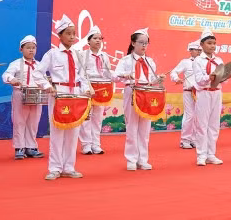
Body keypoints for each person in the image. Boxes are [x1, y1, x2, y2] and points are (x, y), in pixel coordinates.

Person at [38, 14, 93, 180]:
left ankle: (69, 167)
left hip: (76, 95)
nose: (72, 36)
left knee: (73, 132)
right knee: (57, 132)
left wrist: (86, 89)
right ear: (59, 35)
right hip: (59, 94)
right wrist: (48, 87)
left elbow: (83, 75)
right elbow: (37, 73)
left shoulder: (78, 54)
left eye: (74, 33)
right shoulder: (52, 54)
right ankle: (54, 168)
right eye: (68, 33)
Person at [115, 28, 163, 171]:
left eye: (146, 43)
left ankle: (143, 159)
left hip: (147, 93)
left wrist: (158, 79)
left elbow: (151, 80)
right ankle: (131, 159)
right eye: (141, 43)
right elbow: (115, 76)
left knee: (145, 128)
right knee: (132, 126)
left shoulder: (150, 61)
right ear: (133, 43)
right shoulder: (125, 60)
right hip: (132, 91)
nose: (144, 46)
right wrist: (126, 75)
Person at [3, 35, 50, 160]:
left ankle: (31, 147)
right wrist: (12, 79)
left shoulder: (40, 65)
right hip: (20, 93)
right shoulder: (16, 64)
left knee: (33, 121)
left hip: (36, 94)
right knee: (19, 121)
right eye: (28, 48)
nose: (31, 50)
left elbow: (44, 79)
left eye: (33, 48)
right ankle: (19, 147)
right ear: (21, 49)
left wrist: (47, 86)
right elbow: (6, 74)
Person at [192, 28, 225, 166]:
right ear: (202, 44)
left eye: (214, 43)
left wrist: (224, 76)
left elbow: (224, 78)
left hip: (216, 92)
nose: (212, 46)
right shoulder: (197, 61)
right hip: (204, 93)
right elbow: (199, 80)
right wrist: (209, 77)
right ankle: (201, 155)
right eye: (209, 43)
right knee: (202, 125)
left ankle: (211, 154)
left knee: (214, 125)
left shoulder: (219, 60)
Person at [79, 26, 112, 155]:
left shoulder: (105, 56)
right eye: (95, 38)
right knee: (86, 117)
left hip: (101, 89)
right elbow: (81, 74)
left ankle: (96, 144)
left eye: (100, 38)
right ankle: (86, 145)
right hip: (88, 88)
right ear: (88, 41)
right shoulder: (83, 55)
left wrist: (122, 75)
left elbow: (108, 73)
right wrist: (86, 88)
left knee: (97, 118)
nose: (98, 41)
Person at [170, 42, 201, 149]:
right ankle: (185, 139)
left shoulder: (204, 62)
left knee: (198, 116)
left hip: (200, 92)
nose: (197, 52)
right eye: (195, 50)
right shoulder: (185, 62)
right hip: (188, 91)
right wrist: (176, 78)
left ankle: (194, 139)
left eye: (199, 50)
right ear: (190, 51)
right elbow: (173, 72)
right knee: (190, 115)